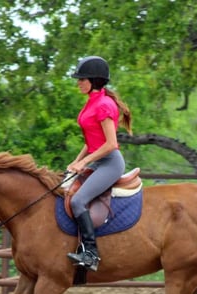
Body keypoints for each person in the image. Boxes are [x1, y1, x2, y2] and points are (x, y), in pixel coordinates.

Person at [66, 56, 133, 272]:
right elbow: (91, 141)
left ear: (93, 80)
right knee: (64, 189)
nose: (78, 82)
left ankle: (91, 254)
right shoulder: (92, 102)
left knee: (78, 202)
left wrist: (85, 161)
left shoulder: (104, 105)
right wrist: (76, 161)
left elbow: (111, 144)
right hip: (96, 160)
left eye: (82, 79)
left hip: (109, 164)